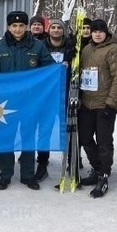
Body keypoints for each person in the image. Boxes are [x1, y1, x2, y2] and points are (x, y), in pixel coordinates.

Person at [0, 11, 55, 190]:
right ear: (8, 27)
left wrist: (59, 69)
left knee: (28, 139)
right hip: (5, 103)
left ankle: (27, 175)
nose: (17, 29)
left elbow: (48, 70)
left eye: (21, 26)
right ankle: (6, 175)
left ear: (26, 27)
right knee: (6, 139)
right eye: (14, 26)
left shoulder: (38, 46)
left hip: (30, 102)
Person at [78, 19, 117, 198]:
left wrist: (111, 103)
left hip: (105, 103)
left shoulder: (114, 50)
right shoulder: (86, 50)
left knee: (104, 141)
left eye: (101, 31)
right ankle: (97, 169)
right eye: (94, 31)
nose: (97, 34)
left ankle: (104, 175)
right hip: (87, 103)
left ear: (106, 32)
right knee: (85, 138)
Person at [38, 17, 77, 181]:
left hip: (66, 94)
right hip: (47, 96)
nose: (56, 30)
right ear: (49, 30)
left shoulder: (71, 48)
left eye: (59, 28)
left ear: (63, 31)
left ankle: (72, 162)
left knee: (68, 130)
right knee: (44, 130)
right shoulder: (41, 47)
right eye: (53, 27)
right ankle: (42, 163)